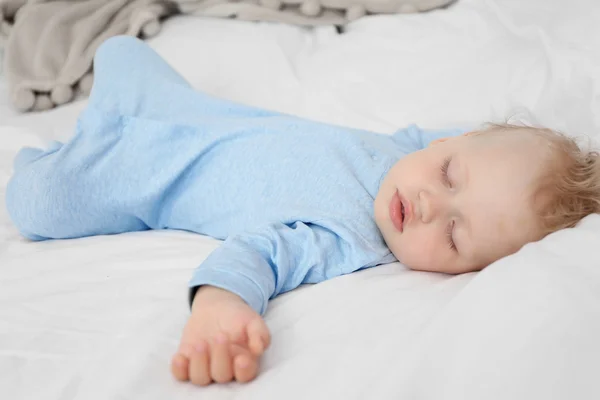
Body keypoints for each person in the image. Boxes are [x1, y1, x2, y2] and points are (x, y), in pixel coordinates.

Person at [5, 36, 600, 386]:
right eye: (449, 177)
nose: (427, 205)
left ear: (462, 273)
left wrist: (220, 304)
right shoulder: (410, 148)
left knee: (33, 205)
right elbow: (481, 150)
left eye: (453, 234)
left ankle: (53, 154)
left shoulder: (347, 240)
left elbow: (258, 254)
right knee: (121, 46)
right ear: (448, 143)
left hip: (137, 171)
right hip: (181, 109)